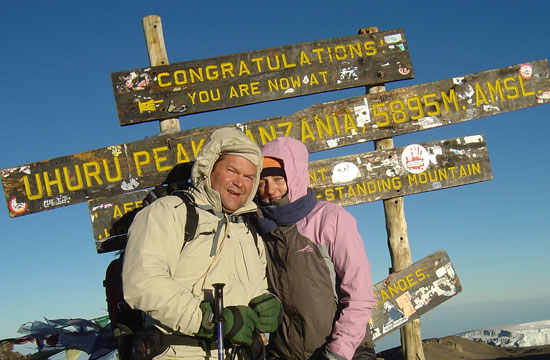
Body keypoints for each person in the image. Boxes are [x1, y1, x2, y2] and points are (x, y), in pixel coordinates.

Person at [122, 127, 282, 360]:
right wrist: (211, 321)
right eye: (232, 171)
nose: (240, 183)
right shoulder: (170, 211)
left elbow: (255, 286)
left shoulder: (248, 228)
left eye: (249, 177)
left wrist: (267, 301)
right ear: (209, 169)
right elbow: (143, 283)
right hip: (182, 352)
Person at [253, 137, 377, 360]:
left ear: (295, 175)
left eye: (279, 179)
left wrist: (338, 351)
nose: (270, 189)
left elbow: (360, 293)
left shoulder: (330, 219)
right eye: (262, 182)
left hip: (342, 352)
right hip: (285, 353)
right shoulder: (260, 227)